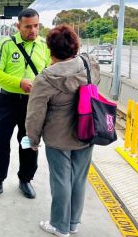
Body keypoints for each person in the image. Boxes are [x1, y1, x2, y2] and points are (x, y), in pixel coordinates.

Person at [25, 25, 100, 237]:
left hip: (58, 139)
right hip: (87, 131)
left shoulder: (46, 79)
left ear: (50, 49)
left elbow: (35, 114)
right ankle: (73, 222)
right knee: (78, 179)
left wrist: (33, 140)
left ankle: (59, 225)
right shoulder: (88, 65)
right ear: (75, 46)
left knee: (61, 181)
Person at [0, 8, 51, 200]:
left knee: (28, 142)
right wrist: (19, 82)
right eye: (28, 27)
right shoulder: (7, 44)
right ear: (18, 26)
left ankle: (25, 180)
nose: (33, 30)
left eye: (36, 26)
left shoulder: (43, 45)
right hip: (8, 100)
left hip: (32, 104)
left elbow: (47, 72)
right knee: (1, 141)